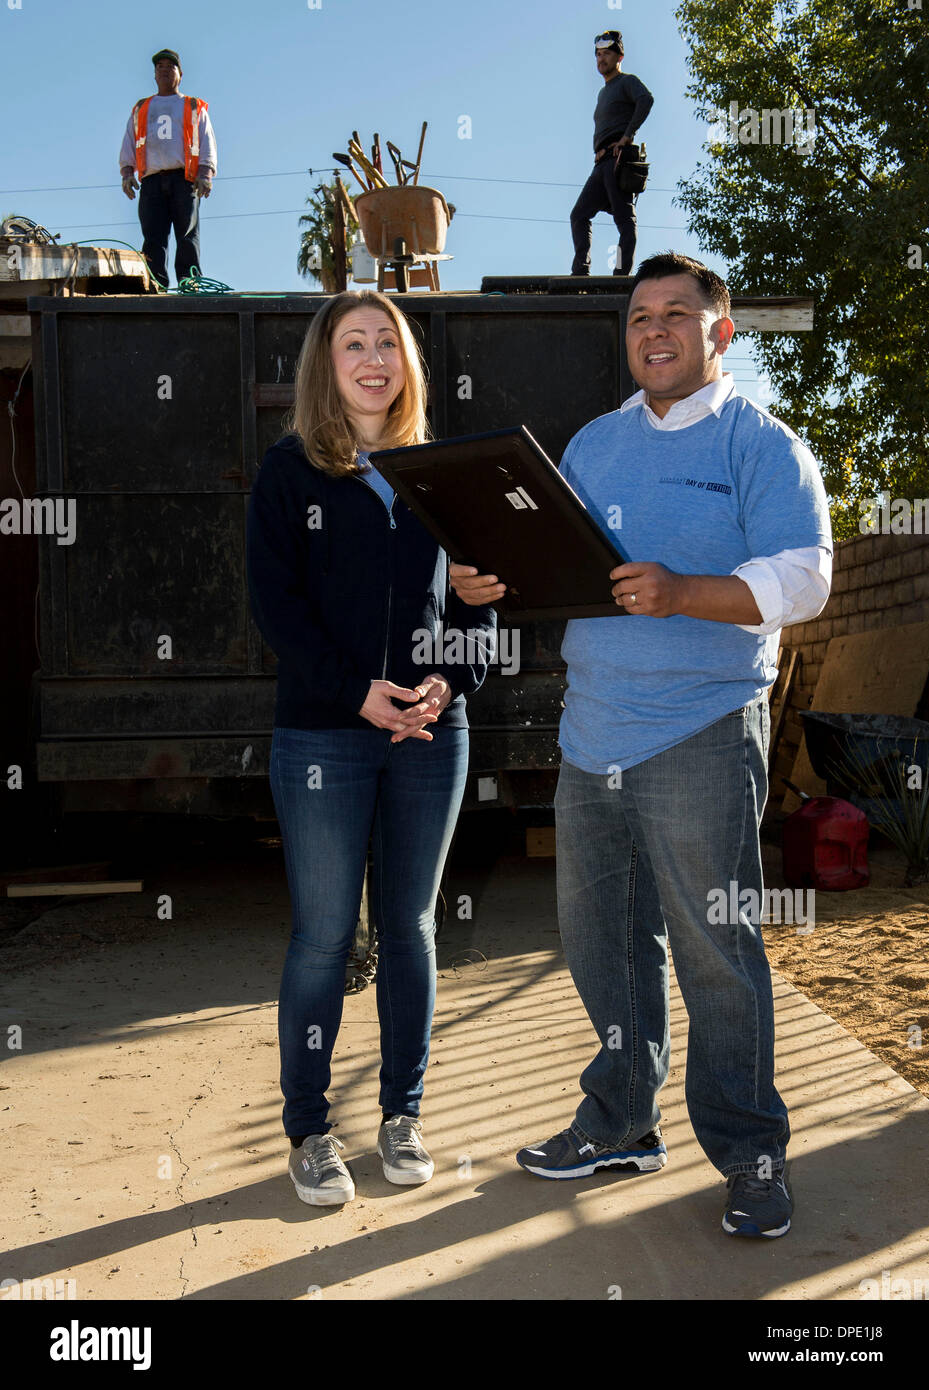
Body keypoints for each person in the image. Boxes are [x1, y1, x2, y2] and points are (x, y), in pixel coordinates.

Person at [450, 252, 833, 1238]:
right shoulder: (592, 445)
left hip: (704, 726)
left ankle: (751, 1150)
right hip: (593, 734)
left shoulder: (763, 444)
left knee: (716, 953)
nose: (654, 330)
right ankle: (621, 1120)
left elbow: (803, 579)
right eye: (638, 318)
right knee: (606, 947)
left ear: (721, 333)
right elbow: (563, 566)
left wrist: (684, 592)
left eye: (676, 313)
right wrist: (495, 578)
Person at [246, 290, 497, 1207]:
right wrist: (357, 693)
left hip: (432, 733)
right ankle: (309, 1131)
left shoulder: (443, 474)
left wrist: (447, 682)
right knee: (323, 936)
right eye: (352, 343)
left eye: (386, 342)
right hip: (325, 733)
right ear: (326, 365)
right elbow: (277, 608)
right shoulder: (289, 473)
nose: (371, 358)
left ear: (406, 364)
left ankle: (402, 1114)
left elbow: (478, 603)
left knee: (412, 928)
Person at [119, 49, 217, 289]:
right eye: (159, 66)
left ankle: (190, 281)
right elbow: (129, 141)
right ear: (154, 75)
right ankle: (155, 283)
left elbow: (207, 140)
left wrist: (205, 174)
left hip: (185, 181)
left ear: (180, 74)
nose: (164, 70)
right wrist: (127, 173)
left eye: (170, 66)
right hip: (152, 181)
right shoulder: (142, 108)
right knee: (153, 237)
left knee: (187, 234)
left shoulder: (193, 106)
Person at [571, 30, 654, 278]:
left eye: (606, 54)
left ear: (619, 57)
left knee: (625, 221)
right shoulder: (602, 92)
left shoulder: (627, 82)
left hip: (619, 160)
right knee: (579, 214)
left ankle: (620, 274)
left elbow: (646, 100)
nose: (600, 59)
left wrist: (627, 136)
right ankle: (580, 271)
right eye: (597, 54)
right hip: (601, 163)